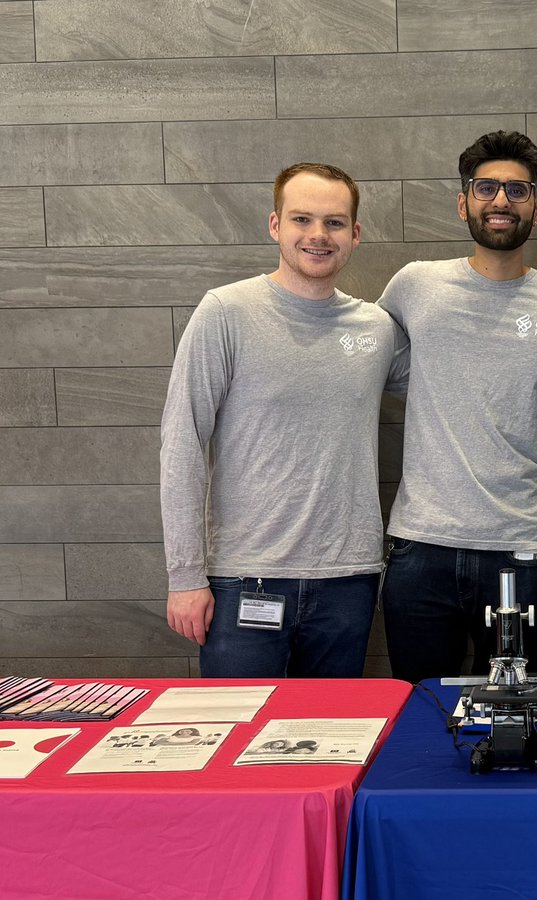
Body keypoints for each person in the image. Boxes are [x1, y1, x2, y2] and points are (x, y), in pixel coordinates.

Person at [160, 162, 409, 678]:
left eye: (335, 223)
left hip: (349, 581)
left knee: (332, 745)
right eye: (302, 219)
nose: (318, 235)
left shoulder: (377, 328)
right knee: (238, 741)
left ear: (355, 234)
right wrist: (185, 576)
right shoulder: (225, 312)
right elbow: (182, 443)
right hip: (243, 580)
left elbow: (457, 379)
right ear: (275, 225)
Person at [379, 131, 537, 683]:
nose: (501, 201)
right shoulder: (415, 286)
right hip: (421, 544)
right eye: (486, 188)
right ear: (464, 202)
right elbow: (373, 362)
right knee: (418, 709)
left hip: (519, 547)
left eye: (517, 191)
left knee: (510, 716)